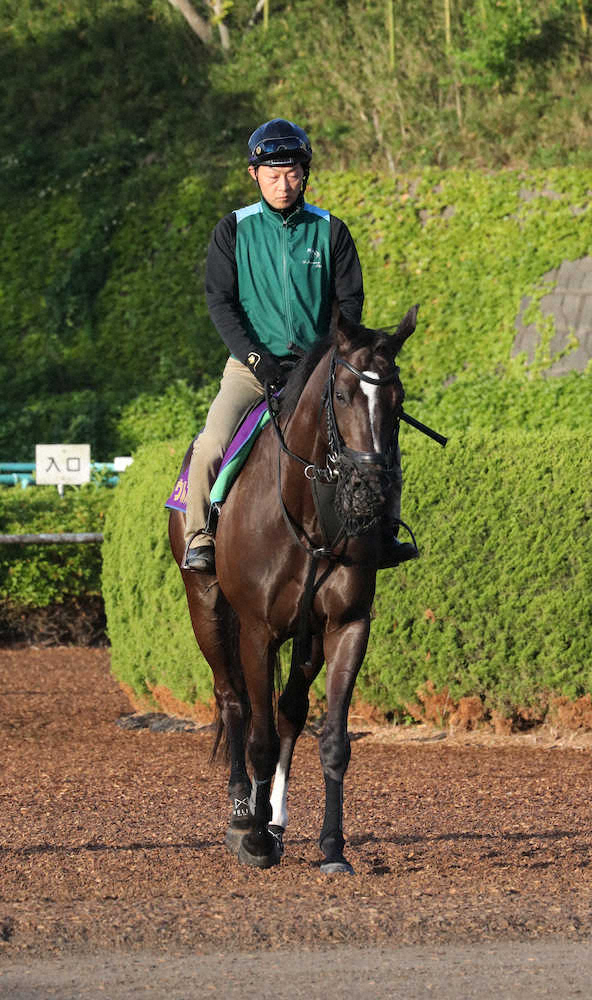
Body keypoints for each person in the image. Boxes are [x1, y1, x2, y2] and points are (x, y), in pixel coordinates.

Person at [183, 117, 416, 573]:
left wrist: (325, 357)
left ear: (305, 174)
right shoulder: (232, 230)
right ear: (254, 175)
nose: (283, 184)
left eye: (292, 174)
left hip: (320, 368)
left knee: (377, 431)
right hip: (250, 370)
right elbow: (221, 303)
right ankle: (199, 534)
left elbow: (349, 306)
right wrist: (258, 360)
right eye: (272, 176)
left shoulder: (332, 231)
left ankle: (385, 528)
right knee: (210, 444)